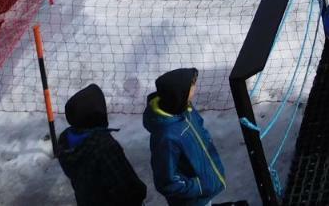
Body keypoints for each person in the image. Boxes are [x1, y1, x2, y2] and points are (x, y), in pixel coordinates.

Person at [143, 68, 226, 206]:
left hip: (204, 192)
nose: (195, 88)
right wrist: (199, 186)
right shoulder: (166, 137)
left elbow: (200, 127)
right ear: (178, 94)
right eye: (192, 87)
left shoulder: (186, 109)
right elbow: (167, 181)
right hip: (192, 201)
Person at [58, 83, 147, 206]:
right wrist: (139, 193)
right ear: (96, 114)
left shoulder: (67, 141)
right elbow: (125, 186)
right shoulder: (104, 146)